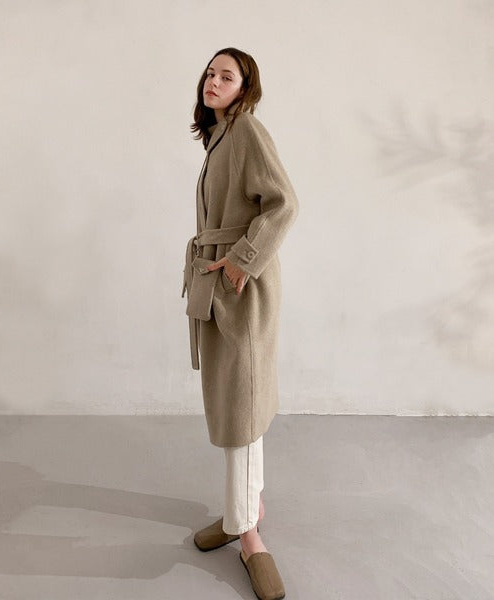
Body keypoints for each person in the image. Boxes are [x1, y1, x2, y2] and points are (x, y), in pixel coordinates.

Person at [182, 47, 299, 600]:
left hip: (241, 288)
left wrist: (240, 262)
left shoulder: (247, 130)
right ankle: (243, 510)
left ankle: (249, 536)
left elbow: (283, 204)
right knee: (233, 401)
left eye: (225, 76)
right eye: (210, 73)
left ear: (245, 87)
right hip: (220, 282)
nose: (213, 81)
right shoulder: (219, 137)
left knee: (242, 406)